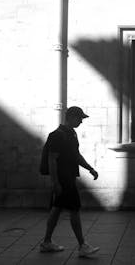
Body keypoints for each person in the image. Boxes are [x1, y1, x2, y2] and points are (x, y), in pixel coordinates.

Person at [40, 106, 100, 257]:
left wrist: (89, 168)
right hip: (64, 179)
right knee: (74, 210)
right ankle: (82, 246)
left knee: (57, 208)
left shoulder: (72, 133)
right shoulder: (57, 135)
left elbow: (76, 155)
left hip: (68, 177)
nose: (81, 121)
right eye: (79, 118)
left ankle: (46, 242)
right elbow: (52, 159)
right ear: (71, 117)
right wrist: (55, 182)